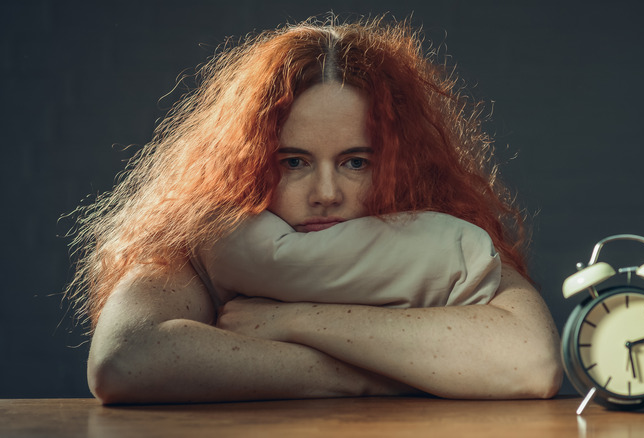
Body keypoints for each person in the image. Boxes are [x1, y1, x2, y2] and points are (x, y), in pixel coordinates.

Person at [66, 15, 562, 404]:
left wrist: (296, 321)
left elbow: (532, 361)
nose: (326, 192)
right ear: (250, 162)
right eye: (294, 161)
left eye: (355, 162)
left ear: (399, 164)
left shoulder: (439, 239)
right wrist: (392, 374)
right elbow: (125, 360)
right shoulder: (208, 238)